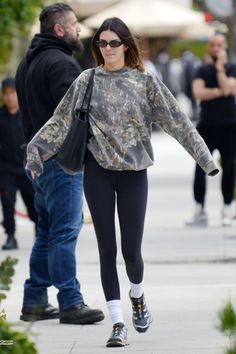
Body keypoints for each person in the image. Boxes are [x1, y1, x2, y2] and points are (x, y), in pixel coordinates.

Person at [24, 17, 219, 347]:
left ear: (127, 45)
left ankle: (138, 296)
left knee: (131, 252)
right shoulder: (87, 80)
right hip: (97, 170)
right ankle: (118, 324)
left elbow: (177, 121)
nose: (108, 49)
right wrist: (34, 152)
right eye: (102, 43)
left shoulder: (144, 80)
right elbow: (59, 121)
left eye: (114, 43)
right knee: (106, 249)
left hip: (134, 173)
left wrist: (205, 159)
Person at [15, 3, 104, 324]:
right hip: (61, 163)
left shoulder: (28, 62)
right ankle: (70, 302)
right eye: (74, 24)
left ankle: (35, 302)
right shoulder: (61, 64)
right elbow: (76, 118)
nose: (79, 29)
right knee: (65, 232)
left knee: (48, 233)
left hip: (36, 160)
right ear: (59, 29)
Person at [186, 34, 236, 227]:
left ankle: (226, 208)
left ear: (225, 48)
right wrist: (220, 92)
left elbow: (230, 88)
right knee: (200, 168)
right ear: (208, 47)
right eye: (213, 45)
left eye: (219, 45)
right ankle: (200, 209)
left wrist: (219, 69)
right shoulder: (201, 69)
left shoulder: (231, 68)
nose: (216, 48)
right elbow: (198, 92)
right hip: (206, 126)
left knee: (229, 168)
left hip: (229, 126)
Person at [0, 77, 37, 250]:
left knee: (34, 203)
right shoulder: (1, 116)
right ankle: (11, 236)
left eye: (12, 92)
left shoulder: (27, 114)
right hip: (6, 170)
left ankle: (40, 233)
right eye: (5, 93)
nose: (9, 97)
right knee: (7, 204)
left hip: (27, 168)